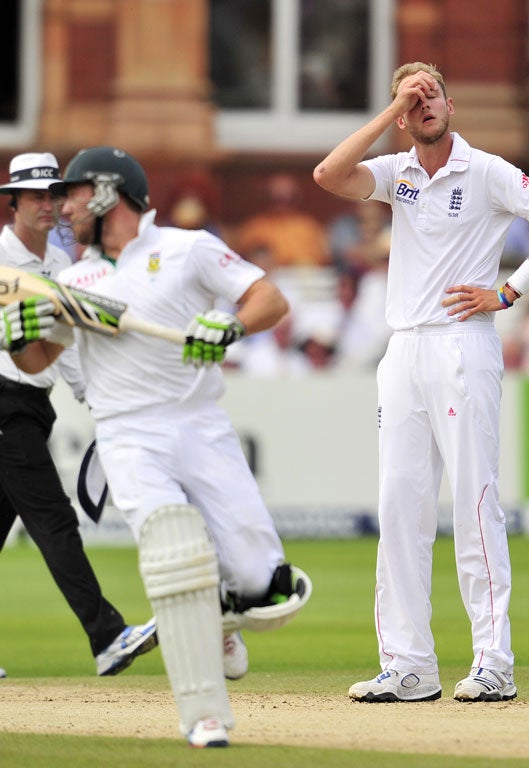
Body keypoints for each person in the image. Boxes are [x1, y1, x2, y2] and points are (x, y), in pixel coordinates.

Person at [9, 146, 312, 748]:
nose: (63, 207)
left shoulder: (186, 249)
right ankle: (204, 716)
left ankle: (225, 606)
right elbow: (41, 357)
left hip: (199, 424)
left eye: (71, 193)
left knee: (265, 585)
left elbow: (269, 299)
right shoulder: (74, 280)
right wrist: (17, 339)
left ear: (104, 193)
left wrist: (230, 324)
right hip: (127, 433)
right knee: (173, 551)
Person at [313, 61, 529, 703]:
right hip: (402, 348)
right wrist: (388, 115)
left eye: (432, 92)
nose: (424, 101)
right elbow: (327, 175)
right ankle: (408, 663)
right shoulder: (395, 172)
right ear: (402, 116)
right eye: (413, 96)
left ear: (450, 104)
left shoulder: (485, 169)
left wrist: (510, 290)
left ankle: (494, 661)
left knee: (473, 500)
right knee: (399, 506)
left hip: (463, 344)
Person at [0, 152, 157, 678]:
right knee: (54, 520)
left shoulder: (63, 268)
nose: (49, 205)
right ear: (14, 203)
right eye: (37, 196)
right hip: (4, 402)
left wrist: (100, 402)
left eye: (55, 195)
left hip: (30, 404)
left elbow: (67, 354)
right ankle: (107, 635)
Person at [233, 172, 330, 269]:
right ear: (267, 197)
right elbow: (240, 259)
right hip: (266, 277)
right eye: (276, 198)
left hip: (303, 279)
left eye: (286, 198)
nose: (281, 203)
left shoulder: (308, 226)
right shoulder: (253, 227)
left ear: (296, 197)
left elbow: (323, 259)